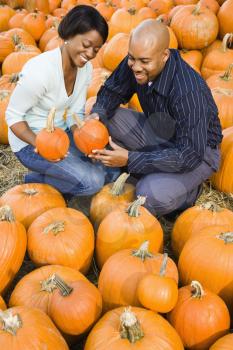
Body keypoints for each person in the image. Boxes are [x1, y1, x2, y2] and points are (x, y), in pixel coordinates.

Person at [88, 19, 223, 217]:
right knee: (99, 112)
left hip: (197, 153)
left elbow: (189, 154)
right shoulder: (136, 61)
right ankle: (147, 169)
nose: (135, 67)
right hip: (160, 130)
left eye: (144, 61)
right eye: (132, 58)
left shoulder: (188, 91)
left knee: (147, 196)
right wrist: (95, 118)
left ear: (164, 56)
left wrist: (130, 159)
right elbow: (111, 91)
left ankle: (188, 193)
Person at [6, 5, 120, 201]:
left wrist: (84, 140)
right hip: (31, 142)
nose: (91, 54)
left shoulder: (85, 69)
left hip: (63, 136)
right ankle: (36, 180)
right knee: (93, 182)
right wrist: (39, 144)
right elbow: (12, 116)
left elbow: (75, 111)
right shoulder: (40, 72)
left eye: (96, 49)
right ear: (69, 34)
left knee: (111, 173)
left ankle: (47, 177)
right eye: (86, 44)